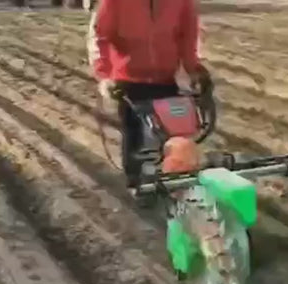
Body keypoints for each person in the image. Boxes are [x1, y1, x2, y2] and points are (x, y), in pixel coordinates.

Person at [87, 0, 211, 188]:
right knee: (134, 134)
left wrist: (192, 68)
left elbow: (188, 34)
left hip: (166, 79)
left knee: (173, 135)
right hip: (129, 81)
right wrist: (105, 75)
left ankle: (173, 181)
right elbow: (100, 35)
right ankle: (136, 182)